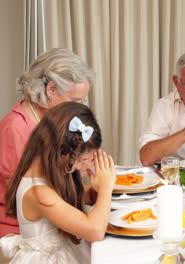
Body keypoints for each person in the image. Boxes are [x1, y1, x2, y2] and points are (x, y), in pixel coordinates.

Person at [0, 102, 114, 263]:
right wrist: (106, 189)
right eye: (82, 160)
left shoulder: (54, 170)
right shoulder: (38, 193)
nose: (83, 166)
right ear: (61, 153)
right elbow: (95, 231)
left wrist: (97, 189)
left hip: (66, 250)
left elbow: (85, 196)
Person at [0, 48, 95, 236]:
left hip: (52, 215)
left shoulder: (54, 121)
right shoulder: (14, 128)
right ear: (51, 89)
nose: (79, 107)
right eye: (74, 100)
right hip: (21, 231)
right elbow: (27, 196)